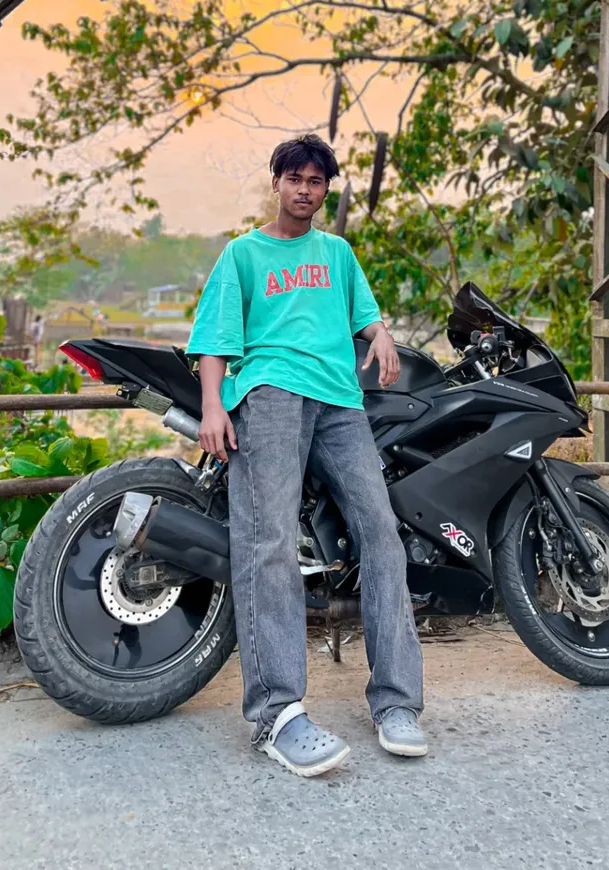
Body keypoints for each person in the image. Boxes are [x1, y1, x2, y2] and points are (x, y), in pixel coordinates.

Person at [186, 133, 425, 777]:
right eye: (294, 178)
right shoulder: (243, 254)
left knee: (381, 534)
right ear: (277, 182)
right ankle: (277, 713)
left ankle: (397, 702)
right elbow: (214, 339)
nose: (304, 189)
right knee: (268, 542)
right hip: (270, 395)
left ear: (324, 190)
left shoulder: (337, 253)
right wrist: (213, 407)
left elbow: (364, 315)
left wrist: (381, 336)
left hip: (340, 403)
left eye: (316, 181)